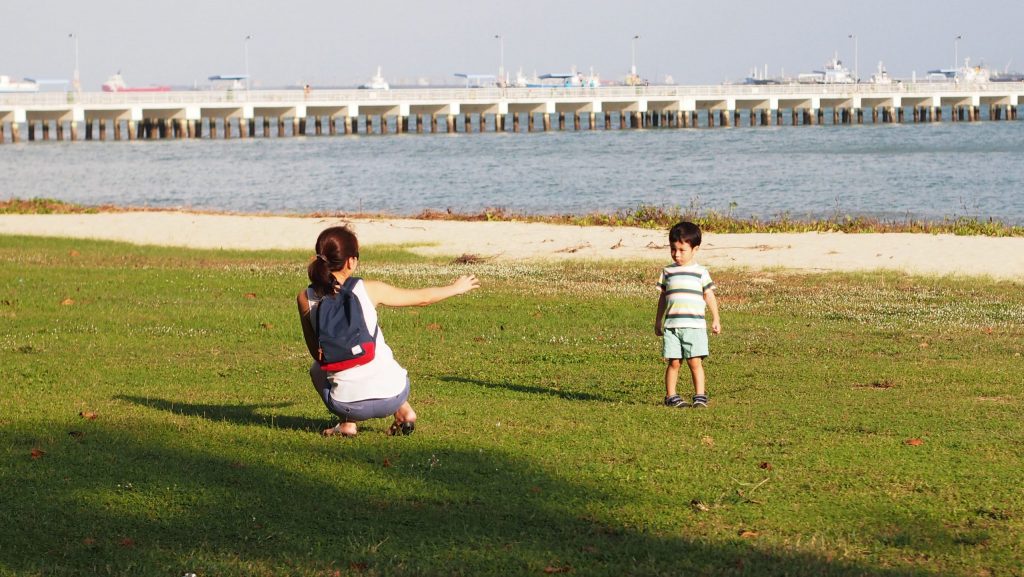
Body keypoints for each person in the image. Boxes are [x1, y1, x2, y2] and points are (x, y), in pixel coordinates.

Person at [297, 225, 480, 437]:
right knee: (377, 349)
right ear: (351, 261)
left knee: (316, 369)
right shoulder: (368, 289)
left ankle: (347, 424)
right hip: (395, 393)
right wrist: (456, 288)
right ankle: (404, 410)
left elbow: (317, 353)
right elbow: (423, 299)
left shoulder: (304, 298)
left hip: (346, 405)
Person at [654, 221, 722, 408]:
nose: (677, 254)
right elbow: (663, 298)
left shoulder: (700, 272)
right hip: (672, 327)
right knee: (674, 362)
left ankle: (700, 395)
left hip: (695, 326)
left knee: (694, 362)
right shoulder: (668, 271)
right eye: (673, 249)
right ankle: (671, 396)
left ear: (695, 249)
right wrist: (658, 320)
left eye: (682, 250)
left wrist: (715, 318)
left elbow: (709, 295)